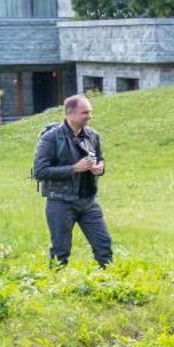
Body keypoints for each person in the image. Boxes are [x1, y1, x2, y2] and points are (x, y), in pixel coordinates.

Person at [32, 94, 112, 268]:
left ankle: (108, 285)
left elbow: (100, 158)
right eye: (85, 113)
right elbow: (40, 171)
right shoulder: (51, 138)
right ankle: (56, 289)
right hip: (60, 202)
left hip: (88, 201)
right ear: (71, 114)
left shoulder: (92, 135)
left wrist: (100, 168)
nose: (89, 116)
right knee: (60, 252)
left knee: (104, 246)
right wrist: (75, 168)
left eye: (90, 112)